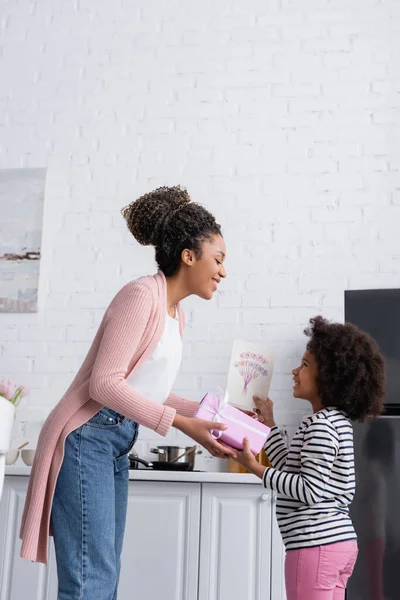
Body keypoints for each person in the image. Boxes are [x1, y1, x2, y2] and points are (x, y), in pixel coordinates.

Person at [19, 185, 238, 600]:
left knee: (103, 575)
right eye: (219, 258)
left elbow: (147, 389)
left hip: (115, 442)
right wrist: (182, 424)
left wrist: (213, 415)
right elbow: (105, 383)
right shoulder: (141, 295)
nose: (223, 271)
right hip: (87, 438)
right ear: (188, 256)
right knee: (91, 580)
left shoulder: (176, 314)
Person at [234, 316, 386, 600]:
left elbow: (309, 490)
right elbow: (291, 468)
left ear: (329, 376)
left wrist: (255, 468)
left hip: (315, 545)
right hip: (335, 544)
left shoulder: (320, 425)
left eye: (304, 365)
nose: (294, 371)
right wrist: (269, 424)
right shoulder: (333, 422)